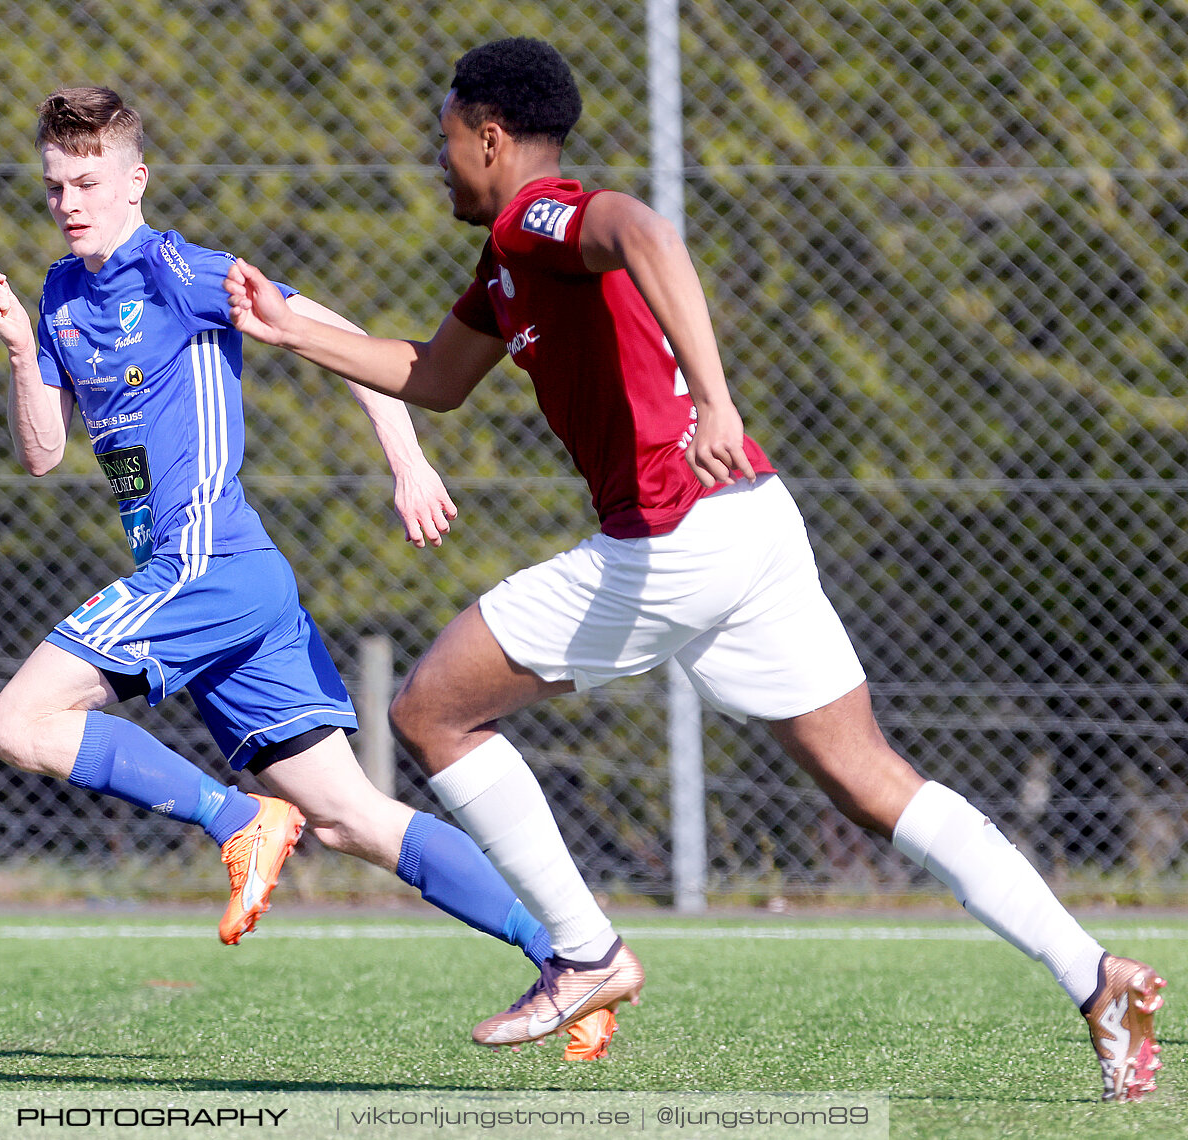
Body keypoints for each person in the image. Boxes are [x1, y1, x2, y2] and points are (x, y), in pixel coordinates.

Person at [224, 38, 1165, 1101]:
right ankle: (1097, 979)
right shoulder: (505, 261)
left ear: (490, 136)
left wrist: (717, 398)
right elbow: (432, 378)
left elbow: (642, 228)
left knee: (433, 710)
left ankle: (584, 954)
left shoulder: (540, 218)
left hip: (675, 536)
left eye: (445, 138)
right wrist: (286, 328)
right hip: (751, 524)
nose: (437, 158)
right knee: (871, 778)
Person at [0, 86, 557, 972]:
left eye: (88, 184)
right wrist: (21, 350)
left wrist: (408, 460)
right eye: (55, 187)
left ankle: (239, 821)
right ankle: (567, 954)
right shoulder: (58, 296)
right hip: (232, 583)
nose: (69, 205)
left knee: (19, 721)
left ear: (136, 181)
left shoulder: (176, 270)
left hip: (206, 564)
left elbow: (334, 334)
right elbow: (44, 452)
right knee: (349, 818)